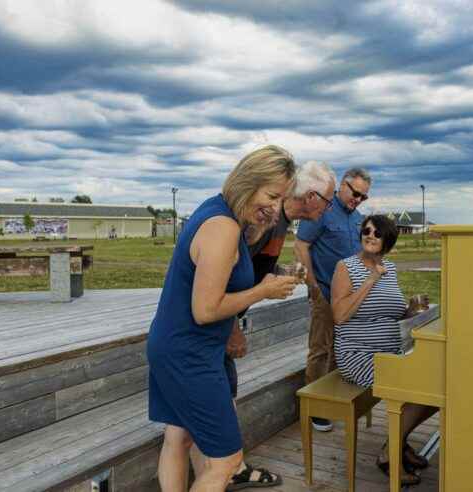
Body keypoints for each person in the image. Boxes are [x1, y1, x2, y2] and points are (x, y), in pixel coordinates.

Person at [147, 145, 300, 492]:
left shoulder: (217, 211)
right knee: (228, 461)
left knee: (179, 438)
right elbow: (205, 310)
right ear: (249, 182)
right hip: (190, 353)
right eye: (272, 195)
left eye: (282, 199)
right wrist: (263, 290)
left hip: (174, 345)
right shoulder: (222, 227)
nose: (276, 207)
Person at [205, 160, 336, 490]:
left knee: (225, 391)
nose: (330, 208)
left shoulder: (280, 226)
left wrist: (279, 275)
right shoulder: (262, 223)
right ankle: (227, 468)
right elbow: (227, 280)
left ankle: (228, 468)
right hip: (215, 324)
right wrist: (232, 328)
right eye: (328, 200)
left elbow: (254, 270)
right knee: (219, 396)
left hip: (224, 320)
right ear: (310, 196)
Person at [330, 215, 438, 486]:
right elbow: (340, 316)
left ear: (387, 239)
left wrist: (410, 310)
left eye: (377, 233)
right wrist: (369, 279)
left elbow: (390, 314)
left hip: (392, 351)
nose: (370, 235)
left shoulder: (390, 267)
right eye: (366, 230)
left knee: (436, 386)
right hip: (358, 354)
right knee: (416, 387)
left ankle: (396, 443)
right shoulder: (346, 267)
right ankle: (389, 455)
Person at [294, 167, 371, 432]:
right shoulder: (322, 210)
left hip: (348, 299)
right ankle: (315, 409)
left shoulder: (359, 219)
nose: (358, 199)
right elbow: (301, 245)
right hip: (325, 293)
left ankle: (334, 400)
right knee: (320, 350)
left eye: (363, 197)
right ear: (343, 185)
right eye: (356, 193)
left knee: (341, 350)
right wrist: (313, 285)